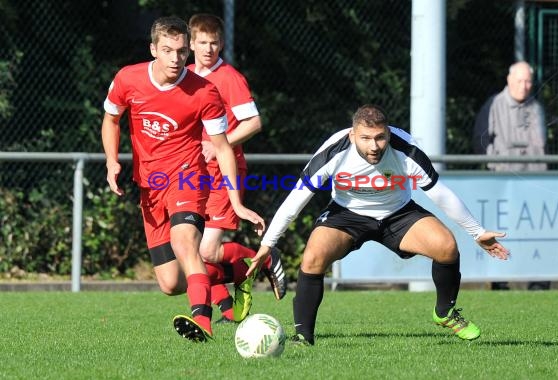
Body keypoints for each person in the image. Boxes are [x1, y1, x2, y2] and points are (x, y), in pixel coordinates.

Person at [247, 104, 509, 346]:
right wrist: (268, 244)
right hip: (346, 214)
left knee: (446, 246)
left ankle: (445, 312)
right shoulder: (335, 150)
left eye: (380, 137)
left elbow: (440, 193)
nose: (374, 146)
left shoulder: (405, 148)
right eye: (365, 138)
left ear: (387, 133)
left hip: (398, 213)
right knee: (313, 255)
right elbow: (297, 198)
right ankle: (303, 338)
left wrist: (477, 232)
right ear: (352, 136)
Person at [101, 16, 265, 343]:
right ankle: (239, 269)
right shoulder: (127, 79)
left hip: (188, 178)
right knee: (170, 283)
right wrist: (111, 161)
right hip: (150, 187)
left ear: (187, 50)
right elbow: (111, 119)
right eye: (167, 50)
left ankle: (202, 322)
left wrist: (236, 202)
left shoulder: (204, 91)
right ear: (153, 50)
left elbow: (223, 148)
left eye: (180, 51)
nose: (175, 59)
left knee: (185, 242)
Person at [187, 14, 287, 323]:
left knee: (206, 253)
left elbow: (254, 122)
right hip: (193, 175)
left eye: (214, 42)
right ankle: (231, 314)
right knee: (189, 252)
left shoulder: (228, 77)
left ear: (221, 43)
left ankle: (264, 257)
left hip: (223, 173)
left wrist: (220, 144)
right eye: (202, 42)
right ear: (190, 44)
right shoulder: (186, 75)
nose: (208, 48)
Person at [473, 61, 550, 291]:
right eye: (519, 81)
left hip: (534, 183)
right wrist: (494, 165)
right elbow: (480, 140)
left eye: (528, 81)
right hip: (503, 182)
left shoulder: (537, 108)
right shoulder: (493, 104)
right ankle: (500, 280)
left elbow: (543, 145)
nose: (524, 86)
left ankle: (539, 281)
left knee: (537, 233)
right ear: (509, 80)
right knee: (502, 231)